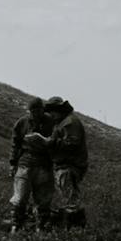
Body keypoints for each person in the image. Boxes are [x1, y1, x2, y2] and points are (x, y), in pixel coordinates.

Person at [8, 97, 55, 232]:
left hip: (44, 164)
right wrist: (12, 163)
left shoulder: (51, 123)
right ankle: (16, 226)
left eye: (38, 111)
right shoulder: (22, 123)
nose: (36, 114)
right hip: (25, 163)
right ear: (29, 111)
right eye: (33, 111)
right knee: (20, 197)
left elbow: (56, 142)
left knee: (43, 199)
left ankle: (41, 227)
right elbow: (15, 144)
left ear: (43, 110)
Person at [46, 97, 90, 229]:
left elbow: (72, 143)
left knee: (70, 199)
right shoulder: (65, 122)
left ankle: (74, 228)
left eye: (52, 112)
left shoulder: (69, 123)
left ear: (58, 110)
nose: (50, 115)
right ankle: (75, 227)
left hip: (69, 166)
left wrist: (51, 142)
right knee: (70, 197)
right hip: (66, 165)